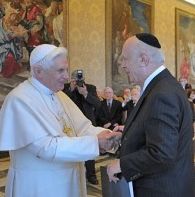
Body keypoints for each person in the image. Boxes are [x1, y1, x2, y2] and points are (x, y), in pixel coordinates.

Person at [0, 44, 121, 197]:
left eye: (66, 70)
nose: (66, 76)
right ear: (38, 71)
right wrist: (96, 143)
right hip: (40, 186)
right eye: (60, 70)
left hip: (70, 182)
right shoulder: (19, 100)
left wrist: (109, 135)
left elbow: (83, 128)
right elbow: (47, 147)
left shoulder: (59, 95)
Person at [107, 33, 193, 197]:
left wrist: (121, 165)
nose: (122, 65)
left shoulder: (162, 93)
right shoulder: (161, 86)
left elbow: (161, 153)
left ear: (143, 59)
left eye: (125, 59)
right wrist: (127, 136)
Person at [63, 70, 101, 185]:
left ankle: (91, 175)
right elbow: (61, 102)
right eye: (76, 78)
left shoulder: (90, 88)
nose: (78, 80)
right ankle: (73, 175)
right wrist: (71, 90)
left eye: (80, 77)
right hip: (71, 123)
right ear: (71, 78)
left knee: (89, 148)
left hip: (87, 123)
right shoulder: (65, 88)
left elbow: (98, 104)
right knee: (72, 149)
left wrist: (85, 94)